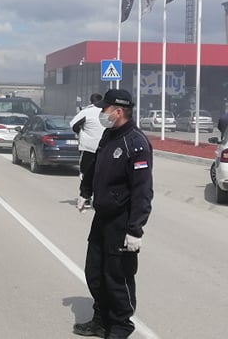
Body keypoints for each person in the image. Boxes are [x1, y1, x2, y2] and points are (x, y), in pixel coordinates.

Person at [74, 88, 154, 339]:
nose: (101, 114)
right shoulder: (109, 135)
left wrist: (135, 229)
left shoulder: (136, 143)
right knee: (94, 272)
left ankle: (120, 325)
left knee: (117, 275)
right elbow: (95, 166)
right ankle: (101, 319)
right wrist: (85, 191)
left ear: (119, 111)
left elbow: (143, 191)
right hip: (103, 217)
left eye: (105, 110)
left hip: (122, 220)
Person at [70, 93, 104, 200]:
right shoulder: (107, 112)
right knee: (103, 172)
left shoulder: (86, 112)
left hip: (88, 147)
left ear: (90, 102)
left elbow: (73, 124)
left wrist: (81, 132)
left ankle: (86, 198)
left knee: (85, 172)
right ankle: (99, 197)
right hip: (104, 147)